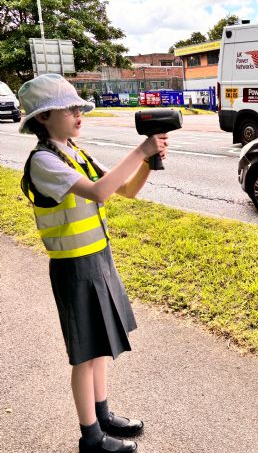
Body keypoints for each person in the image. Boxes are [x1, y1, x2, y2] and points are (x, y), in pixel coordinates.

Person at [18, 74, 168, 453]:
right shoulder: (44, 162)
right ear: (42, 118)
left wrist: (149, 162)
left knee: (99, 345)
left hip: (98, 258)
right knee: (84, 355)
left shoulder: (74, 152)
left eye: (78, 107)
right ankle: (92, 438)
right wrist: (139, 150)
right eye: (68, 109)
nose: (78, 113)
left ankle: (102, 414)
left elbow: (126, 190)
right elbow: (101, 192)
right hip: (73, 267)